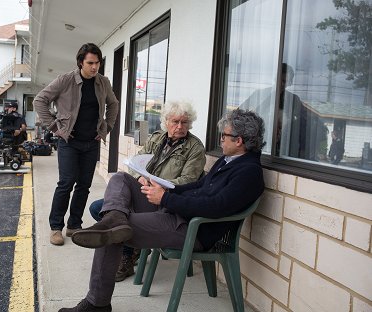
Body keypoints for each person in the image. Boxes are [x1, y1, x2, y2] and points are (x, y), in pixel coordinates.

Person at [59, 109, 265, 312]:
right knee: (120, 179)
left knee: (108, 232)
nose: (220, 140)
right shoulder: (228, 160)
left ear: (239, 141)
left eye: (224, 136)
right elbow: (198, 188)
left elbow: (215, 207)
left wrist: (166, 198)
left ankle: (97, 304)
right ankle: (114, 217)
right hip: (177, 212)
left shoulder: (249, 173)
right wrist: (166, 190)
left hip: (191, 228)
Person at [89, 101, 206, 282]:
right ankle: (131, 247)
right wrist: (138, 177)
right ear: (166, 121)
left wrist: (160, 185)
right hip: (145, 191)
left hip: (166, 201)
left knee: (113, 213)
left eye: (184, 122)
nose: (180, 127)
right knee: (101, 205)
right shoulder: (156, 138)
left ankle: (127, 254)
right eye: (175, 122)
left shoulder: (195, 148)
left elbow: (188, 180)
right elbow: (136, 162)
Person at [33, 43, 119, 246]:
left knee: (84, 185)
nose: (94, 67)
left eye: (97, 63)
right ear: (81, 62)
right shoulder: (66, 80)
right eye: (90, 63)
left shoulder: (102, 82)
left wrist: (106, 128)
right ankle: (56, 227)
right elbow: (39, 100)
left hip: (91, 142)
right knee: (66, 183)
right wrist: (54, 127)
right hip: (69, 142)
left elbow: (113, 104)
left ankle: (74, 225)